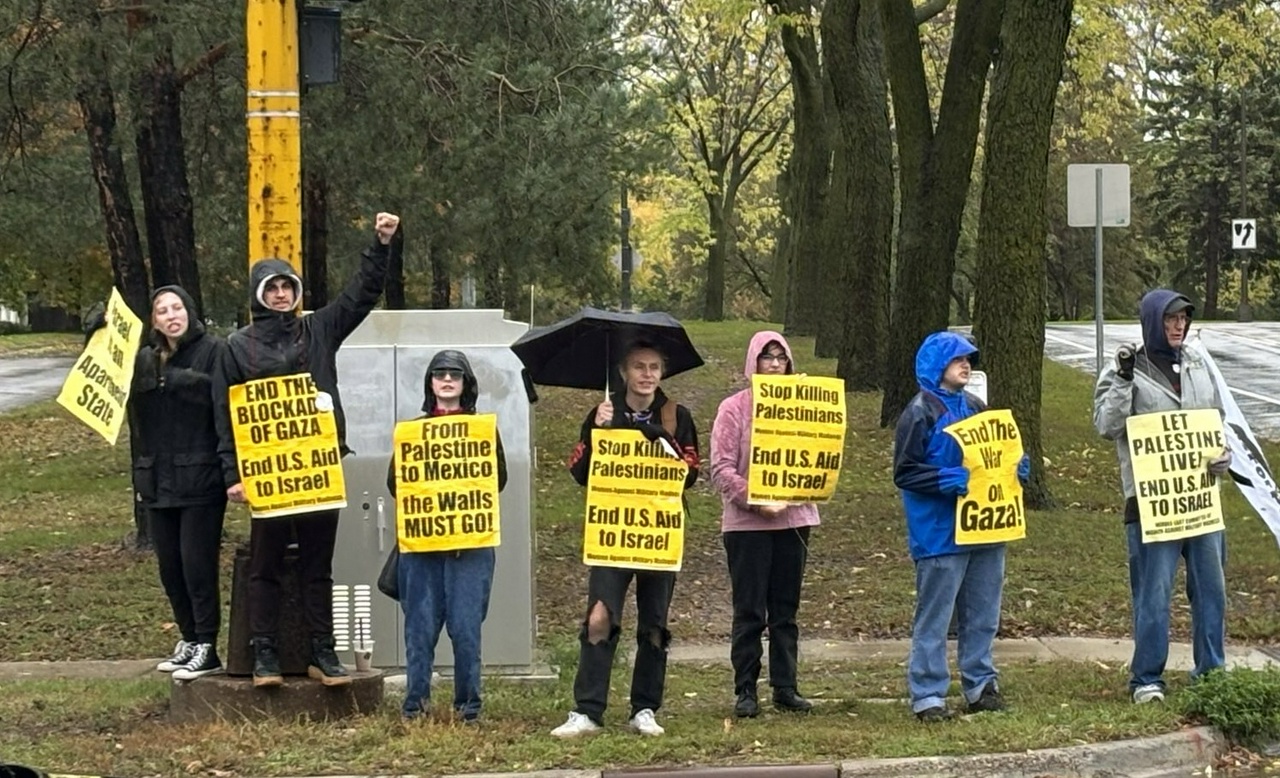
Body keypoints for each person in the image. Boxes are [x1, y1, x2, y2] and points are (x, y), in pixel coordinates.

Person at [214, 212, 401, 687]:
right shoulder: (236, 347)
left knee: (320, 564)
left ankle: (323, 651)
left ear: (297, 293)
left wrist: (380, 245)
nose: (281, 295)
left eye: (288, 287)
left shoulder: (318, 330)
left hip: (318, 471)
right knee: (266, 564)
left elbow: (360, 295)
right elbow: (223, 416)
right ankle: (265, 655)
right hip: (269, 476)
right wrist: (232, 474)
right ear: (260, 295)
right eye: (272, 288)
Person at [551, 340, 700, 738]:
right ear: (623, 372)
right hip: (612, 534)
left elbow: (691, 472)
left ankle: (645, 707)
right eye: (639, 366)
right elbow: (579, 471)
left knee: (654, 623)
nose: (647, 374)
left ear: (662, 372)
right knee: (600, 616)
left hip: (658, 534)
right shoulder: (602, 413)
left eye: (654, 367)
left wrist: (658, 439)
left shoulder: (676, 415)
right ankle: (587, 710)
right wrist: (599, 431)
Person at [1093, 289, 1231, 704]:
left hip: (1201, 500)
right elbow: (1106, 425)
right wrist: (1122, 378)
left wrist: (1221, 454)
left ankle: (1211, 673)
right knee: (1153, 593)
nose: (1178, 326)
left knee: (1211, 590)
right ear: (1153, 320)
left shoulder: (1197, 361)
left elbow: (1215, 418)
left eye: (1184, 319)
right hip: (1152, 504)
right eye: (1171, 318)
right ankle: (1147, 679)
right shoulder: (1126, 367)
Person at [893, 331, 1029, 722]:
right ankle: (928, 695)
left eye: (969, 358)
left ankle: (981, 684)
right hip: (939, 533)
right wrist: (942, 481)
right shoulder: (920, 412)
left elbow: (994, 456)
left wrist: (1015, 469)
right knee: (935, 617)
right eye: (957, 360)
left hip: (986, 528)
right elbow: (904, 472)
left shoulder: (976, 406)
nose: (966, 365)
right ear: (937, 366)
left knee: (983, 613)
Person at [388, 350, 508, 722]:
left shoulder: (483, 430)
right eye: (439, 373)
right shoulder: (412, 431)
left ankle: (469, 708)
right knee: (419, 632)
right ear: (430, 382)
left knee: (466, 630)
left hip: (470, 548)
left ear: (465, 383)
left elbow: (497, 480)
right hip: (423, 549)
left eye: (454, 373)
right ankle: (414, 705)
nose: (446, 379)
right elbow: (396, 483)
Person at [709, 331, 819, 718]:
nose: (774, 364)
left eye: (781, 357)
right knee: (750, 610)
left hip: (793, 521)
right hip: (747, 526)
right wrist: (756, 498)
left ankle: (785, 687)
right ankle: (746, 689)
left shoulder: (803, 407)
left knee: (786, 610)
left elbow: (820, 458)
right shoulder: (735, 408)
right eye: (766, 357)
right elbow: (720, 468)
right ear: (752, 362)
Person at [126, 286, 230, 681]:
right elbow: (128, 404)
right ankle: (188, 637)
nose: (172, 316)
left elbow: (221, 401)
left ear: (189, 311)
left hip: (201, 478)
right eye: (163, 311)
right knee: (170, 568)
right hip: (158, 480)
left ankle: (207, 643)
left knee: (196, 565)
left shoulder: (214, 351)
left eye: (177, 308)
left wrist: (179, 380)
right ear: (154, 321)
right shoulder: (144, 360)